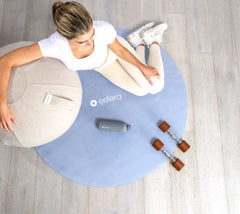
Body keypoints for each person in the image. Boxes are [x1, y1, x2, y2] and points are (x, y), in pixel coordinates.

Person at [0, 1, 167, 133]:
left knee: (156, 86)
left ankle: (152, 40)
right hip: (103, 67)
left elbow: (120, 50)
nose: (91, 43)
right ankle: (138, 42)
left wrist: (142, 67)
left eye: (92, 35)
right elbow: (6, 61)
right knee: (141, 91)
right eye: (82, 41)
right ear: (65, 36)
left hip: (115, 53)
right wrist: (2, 104)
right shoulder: (54, 45)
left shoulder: (103, 29)